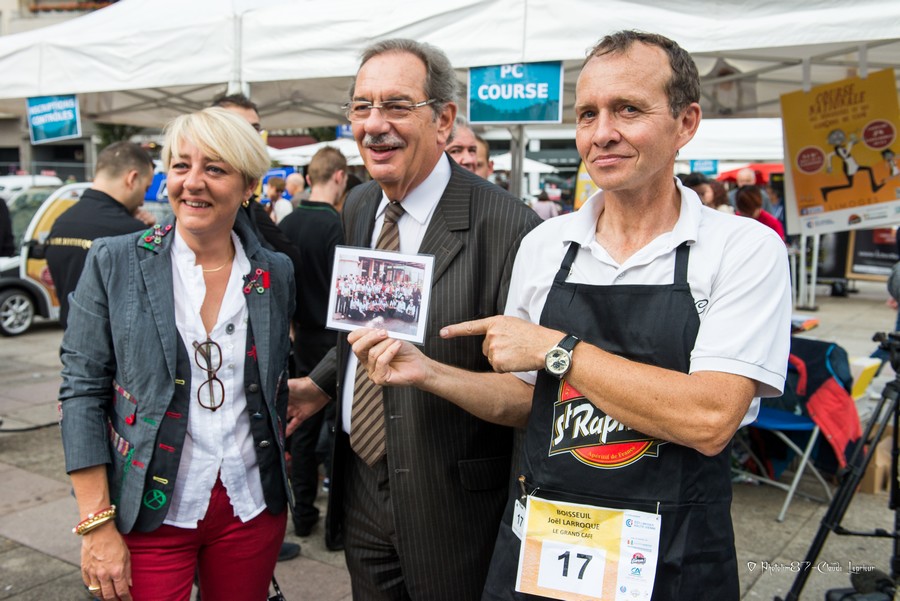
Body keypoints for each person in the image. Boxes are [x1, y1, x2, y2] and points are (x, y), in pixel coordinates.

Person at [348, 30, 791, 601]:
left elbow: (709, 418)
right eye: (587, 114)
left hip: (672, 552)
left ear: (686, 122)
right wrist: (431, 373)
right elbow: (527, 401)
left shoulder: (742, 248)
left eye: (628, 110)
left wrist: (558, 350)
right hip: (548, 546)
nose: (602, 132)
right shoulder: (546, 244)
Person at [286, 38, 541, 600]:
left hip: (451, 502)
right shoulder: (360, 205)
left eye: (397, 106)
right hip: (360, 485)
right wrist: (320, 386)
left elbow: (531, 393)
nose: (375, 125)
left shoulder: (511, 227)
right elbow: (367, 322)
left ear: (444, 120)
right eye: (362, 107)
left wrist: (432, 374)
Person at [59, 107, 295, 601]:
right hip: (147, 512)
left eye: (215, 168)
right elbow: (81, 392)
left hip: (249, 507)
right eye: (181, 165)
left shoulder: (275, 272)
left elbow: (272, 380)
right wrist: (96, 523)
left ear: (249, 185)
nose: (193, 182)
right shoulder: (114, 260)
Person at [278, 146, 347, 547]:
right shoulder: (338, 225)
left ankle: (303, 514)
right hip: (333, 337)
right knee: (336, 427)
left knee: (300, 424)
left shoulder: (287, 222)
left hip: (301, 333)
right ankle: (335, 526)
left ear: (308, 178)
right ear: (339, 176)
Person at [45, 142, 156, 329]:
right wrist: (153, 233)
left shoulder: (61, 223)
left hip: (70, 335)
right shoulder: (132, 232)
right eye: (145, 189)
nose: (142, 202)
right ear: (132, 178)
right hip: (114, 342)